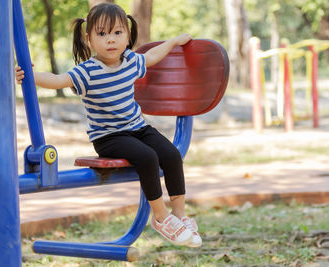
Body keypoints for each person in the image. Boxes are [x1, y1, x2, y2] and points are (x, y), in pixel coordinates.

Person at [15, 2, 201, 248]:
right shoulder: (87, 71)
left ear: (127, 35)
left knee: (171, 154)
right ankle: (160, 217)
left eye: (117, 32)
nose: (110, 40)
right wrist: (29, 75)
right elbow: (58, 79)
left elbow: (153, 55)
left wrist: (174, 41)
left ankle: (179, 215)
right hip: (109, 137)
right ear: (89, 39)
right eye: (102, 34)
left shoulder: (132, 61)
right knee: (147, 157)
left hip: (138, 128)